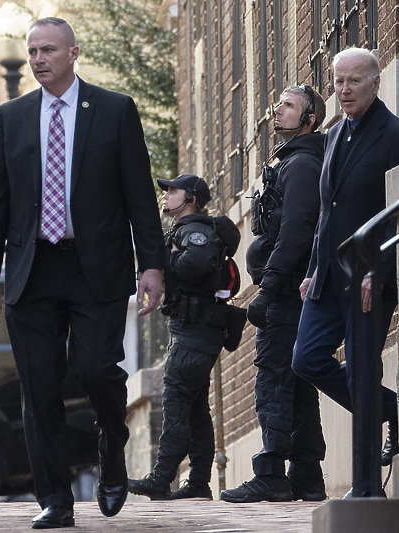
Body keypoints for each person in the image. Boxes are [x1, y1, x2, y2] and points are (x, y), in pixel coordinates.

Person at [0, 17, 165, 529]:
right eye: (32, 51)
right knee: (38, 389)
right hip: (31, 270)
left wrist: (151, 263)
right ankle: (55, 499)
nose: (37, 59)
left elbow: (139, 195)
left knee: (97, 369)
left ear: (73, 54)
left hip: (95, 267)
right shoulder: (12, 116)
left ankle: (113, 441)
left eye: (48, 51)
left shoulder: (113, 110)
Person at [290, 47, 399, 497]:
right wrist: (313, 268)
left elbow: (398, 212)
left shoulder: (397, 136)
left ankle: (366, 487)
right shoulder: (333, 135)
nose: (344, 90)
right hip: (327, 276)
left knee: (363, 371)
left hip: (368, 280)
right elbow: (329, 212)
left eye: (354, 81)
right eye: (338, 81)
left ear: (375, 82)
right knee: (305, 358)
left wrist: (378, 271)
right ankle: (390, 409)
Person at [220, 85, 327, 503]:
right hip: (287, 289)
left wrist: (267, 287)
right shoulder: (290, 162)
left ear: (309, 119)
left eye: (288, 106)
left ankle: (271, 473)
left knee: (273, 380)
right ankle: (307, 475)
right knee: (297, 384)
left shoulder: (300, 165)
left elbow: (298, 228)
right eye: (277, 104)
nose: (276, 111)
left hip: (286, 292)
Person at [128, 174, 241, 501]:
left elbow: (197, 262)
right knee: (195, 410)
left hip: (196, 333)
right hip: (193, 332)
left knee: (177, 401)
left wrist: (168, 256)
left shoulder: (195, 232)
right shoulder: (184, 231)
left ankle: (161, 478)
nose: (166, 196)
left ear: (190, 198)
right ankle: (198, 482)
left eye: (173, 191)